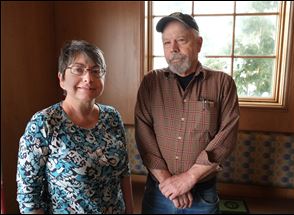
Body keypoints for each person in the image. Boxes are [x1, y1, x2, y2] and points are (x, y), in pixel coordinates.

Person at [135, 12, 240, 214]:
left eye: (181, 40)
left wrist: (188, 178)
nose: (173, 48)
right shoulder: (150, 82)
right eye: (166, 43)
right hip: (159, 190)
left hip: (202, 192)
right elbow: (143, 134)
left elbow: (226, 137)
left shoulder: (222, 83)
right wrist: (170, 183)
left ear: (198, 44)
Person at [16, 40, 133, 214]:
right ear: (61, 78)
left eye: (96, 71)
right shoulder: (43, 123)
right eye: (78, 69)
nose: (88, 78)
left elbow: (124, 172)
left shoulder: (112, 117)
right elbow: (28, 196)